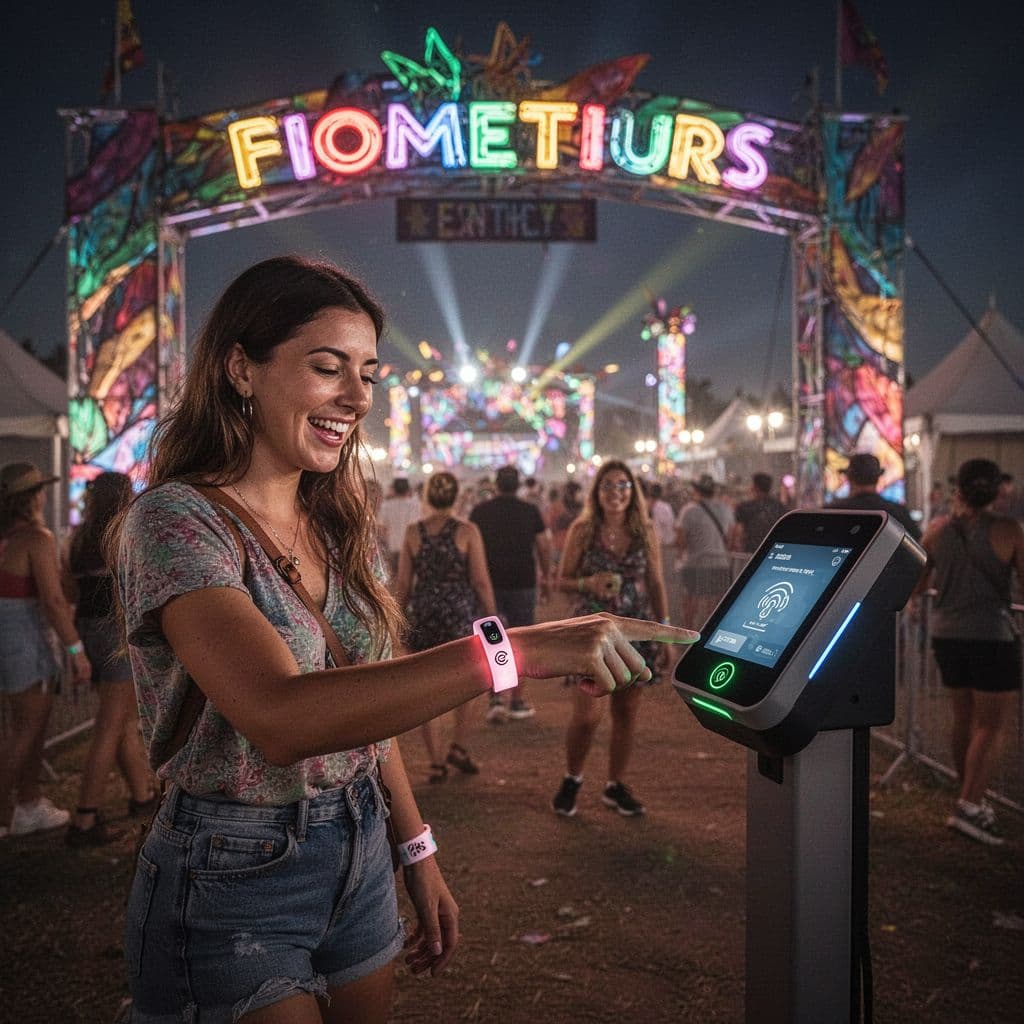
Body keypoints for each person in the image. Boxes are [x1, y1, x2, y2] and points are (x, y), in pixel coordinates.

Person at [110, 255, 697, 1023]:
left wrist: (416, 850)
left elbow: (369, 701)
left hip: (360, 847)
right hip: (233, 868)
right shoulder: (178, 523)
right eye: (328, 368)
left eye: (369, 375)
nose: (356, 397)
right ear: (240, 369)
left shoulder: (337, 524)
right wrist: (514, 652)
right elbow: (285, 717)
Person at [551, 460, 671, 818]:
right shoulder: (583, 530)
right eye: (608, 486)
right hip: (593, 632)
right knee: (588, 715)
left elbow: (656, 583)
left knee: (626, 712)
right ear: (597, 492)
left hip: (637, 629)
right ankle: (572, 778)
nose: (616, 493)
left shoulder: (645, 530)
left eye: (623, 486)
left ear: (632, 491)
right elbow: (562, 580)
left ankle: (615, 785)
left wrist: (664, 632)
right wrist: (590, 582)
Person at [916, 459, 1023, 846]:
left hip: (947, 636)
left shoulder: (938, 529)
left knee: (963, 719)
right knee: (992, 727)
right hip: (991, 636)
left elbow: (918, 582)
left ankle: (968, 797)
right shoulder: (1009, 530)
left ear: (957, 488)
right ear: (998, 492)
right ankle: (969, 805)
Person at [63, 472, 155, 846]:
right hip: (116, 631)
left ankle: (141, 796)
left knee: (120, 720)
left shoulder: (80, 539)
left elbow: (69, 588)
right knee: (110, 725)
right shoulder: (124, 535)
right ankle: (85, 818)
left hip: (88, 627)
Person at [0, 463, 90, 839]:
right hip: (27, 643)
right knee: (25, 731)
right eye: (40, 490)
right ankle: (7, 812)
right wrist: (76, 650)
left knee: (24, 728)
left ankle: (29, 803)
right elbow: (53, 601)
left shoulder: (7, 538)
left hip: (7, 640)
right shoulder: (37, 538)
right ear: (31, 497)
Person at [392, 472, 497, 783]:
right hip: (458, 615)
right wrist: (493, 618)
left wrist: (399, 620)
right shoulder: (467, 531)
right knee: (475, 681)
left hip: (424, 616)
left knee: (429, 688)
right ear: (456, 497)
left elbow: (403, 584)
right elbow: (479, 580)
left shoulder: (414, 532)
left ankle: (436, 761)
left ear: (426, 496)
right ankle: (459, 747)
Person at [471, 465, 552, 722]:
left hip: (489, 585)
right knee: (520, 641)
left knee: (492, 640)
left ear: (496, 484)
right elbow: (543, 546)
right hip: (522, 584)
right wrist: (547, 578)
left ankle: (496, 698)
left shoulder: (480, 512)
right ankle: (516, 700)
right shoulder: (529, 511)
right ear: (518, 486)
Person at [675, 474, 735, 629]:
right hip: (721, 563)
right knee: (715, 607)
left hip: (696, 563)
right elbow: (732, 536)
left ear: (696, 491)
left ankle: (687, 636)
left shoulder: (689, 510)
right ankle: (711, 636)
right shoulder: (725, 509)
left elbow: (681, 541)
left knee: (691, 603)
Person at [827, 453, 921, 541]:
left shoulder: (832, 512)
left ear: (850, 478)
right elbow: (917, 544)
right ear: (877, 478)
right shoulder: (897, 512)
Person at [730, 472, 787, 554]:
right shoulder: (780, 507)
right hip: (773, 551)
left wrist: (734, 547)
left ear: (755, 487)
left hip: (751, 553)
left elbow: (738, 531)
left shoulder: (746, 507)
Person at [377, 477, 420, 577]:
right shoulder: (414, 506)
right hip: (409, 548)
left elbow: (381, 528)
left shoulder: (386, 506)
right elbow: (416, 527)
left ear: (394, 490)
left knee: (393, 577)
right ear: (408, 490)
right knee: (408, 578)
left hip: (392, 547)